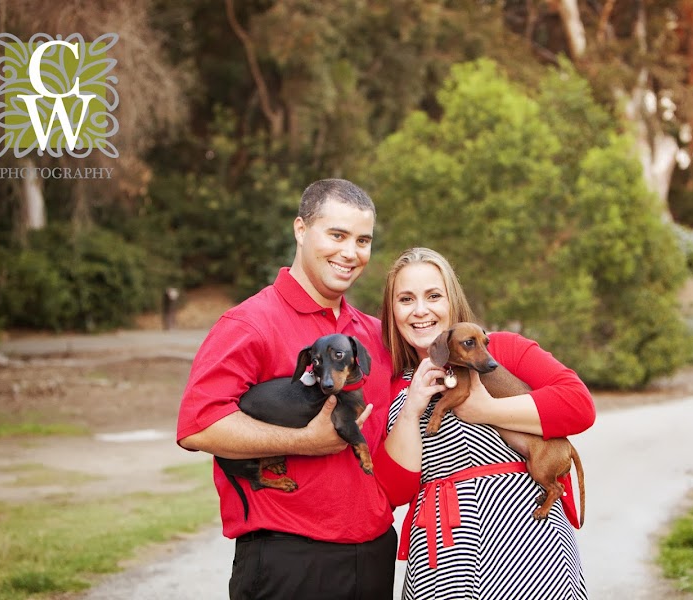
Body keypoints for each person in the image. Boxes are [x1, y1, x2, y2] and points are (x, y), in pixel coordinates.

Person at [177, 179, 397, 600]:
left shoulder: (375, 335)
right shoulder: (249, 323)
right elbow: (198, 426)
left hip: (373, 553)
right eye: (337, 235)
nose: (351, 252)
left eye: (363, 240)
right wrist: (304, 441)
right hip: (288, 560)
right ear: (300, 229)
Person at [372, 247, 596, 600]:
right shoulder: (392, 385)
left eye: (433, 295)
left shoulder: (501, 351)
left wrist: (485, 411)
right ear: (391, 311)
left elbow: (579, 406)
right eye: (405, 299)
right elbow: (393, 492)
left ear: (452, 300)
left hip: (532, 552)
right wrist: (413, 408)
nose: (420, 310)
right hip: (441, 562)